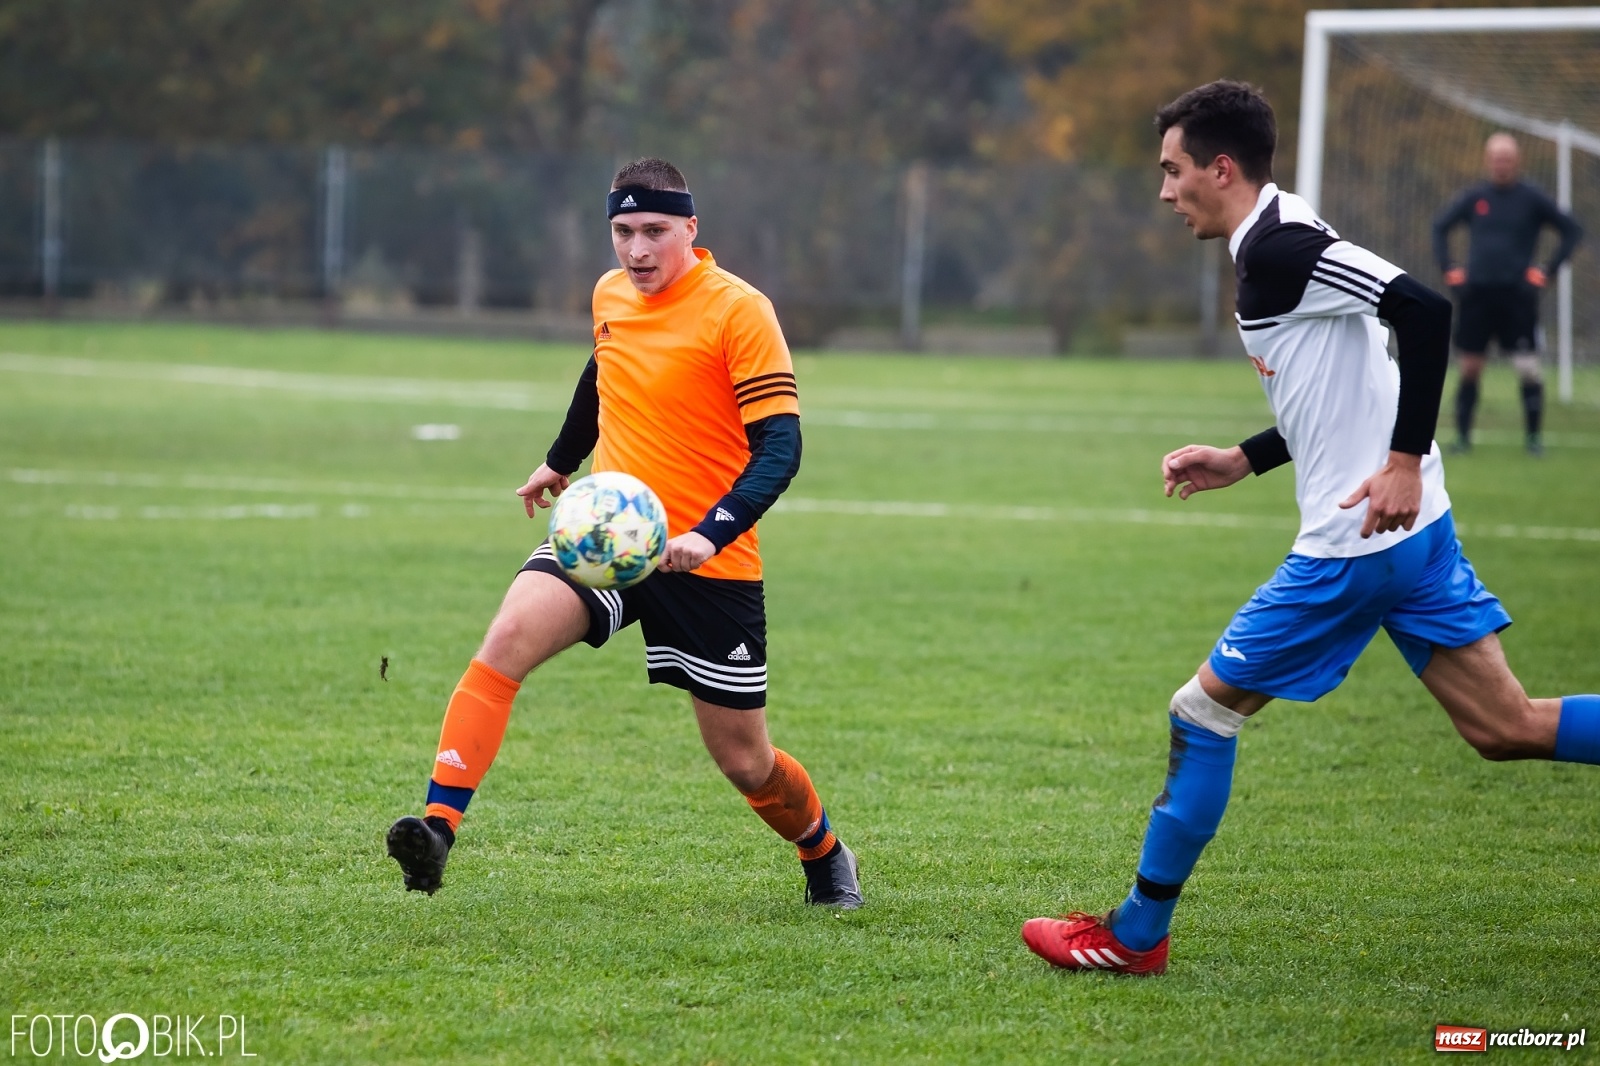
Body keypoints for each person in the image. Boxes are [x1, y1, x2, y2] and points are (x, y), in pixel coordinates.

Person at [1021, 81, 1600, 976]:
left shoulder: (1283, 246)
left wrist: (1402, 459)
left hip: (1355, 545)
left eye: (1173, 171)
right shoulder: (1276, 236)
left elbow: (1424, 310)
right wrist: (1245, 457)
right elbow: (1334, 386)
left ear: (1221, 168)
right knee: (1506, 724)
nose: (1165, 191)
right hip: (1412, 533)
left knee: (1202, 711)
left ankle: (1134, 937)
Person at [386, 158, 863, 908]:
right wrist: (559, 460)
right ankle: (439, 829)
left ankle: (824, 852)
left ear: (691, 229)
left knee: (745, 761)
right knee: (505, 642)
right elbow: (602, 371)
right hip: (608, 536)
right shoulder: (610, 294)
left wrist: (710, 533)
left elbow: (781, 449)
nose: (636, 250)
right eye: (622, 230)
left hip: (707, 561)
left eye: (654, 231)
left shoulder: (739, 311)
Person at [1432, 132, 1583, 455]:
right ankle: (1462, 439)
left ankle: (1533, 439)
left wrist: (1546, 272)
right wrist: (1450, 270)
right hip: (1477, 295)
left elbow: (1571, 230)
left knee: (1528, 368)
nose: (1502, 164)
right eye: (1497, 159)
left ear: (1517, 161)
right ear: (1488, 161)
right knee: (1470, 368)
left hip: (1518, 297)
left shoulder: (1531, 198)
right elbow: (1440, 227)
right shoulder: (1476, 197)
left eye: (1507, 159)